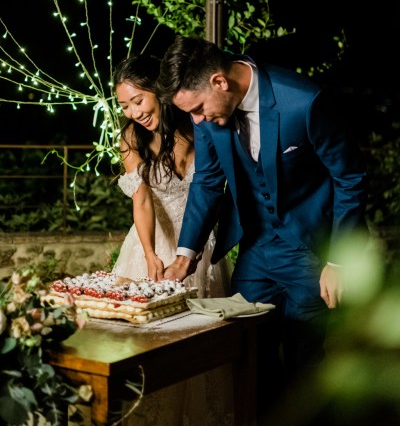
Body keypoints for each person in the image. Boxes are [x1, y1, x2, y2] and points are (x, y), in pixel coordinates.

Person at [157, 35, 369, 422]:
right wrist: (184, 255)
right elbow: (207, 181)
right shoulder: (203, 112)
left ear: (220, 81)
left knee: (306, 367)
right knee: (250, 359)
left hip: (310, 250)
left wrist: (339, 262)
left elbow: (350, 176)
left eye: (200, 109)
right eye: (192, 114)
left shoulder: (303, 102)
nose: (198, 122)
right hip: (255, 251)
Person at [111, 54, 234, 426]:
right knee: (148, 344)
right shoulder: (132, 137)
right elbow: (143, 200)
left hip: (201, 247)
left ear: (159, 91)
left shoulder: (200, 124)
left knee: (200, 345)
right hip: (151, 244)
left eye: (138, 100)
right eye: (125, 106)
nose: (133, 112)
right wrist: (149, 254)